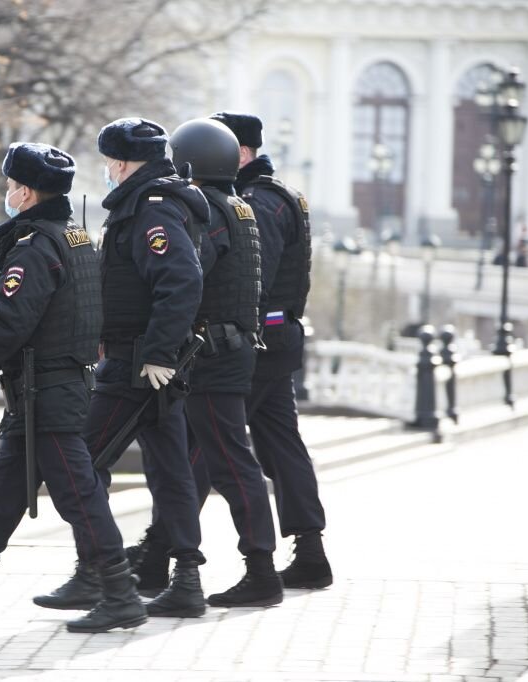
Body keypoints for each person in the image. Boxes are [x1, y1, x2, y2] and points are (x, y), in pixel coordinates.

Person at [0, 142, 147, 634]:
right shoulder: (75, 237)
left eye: (13, 185)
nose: (8, 193)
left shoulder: (35, 248)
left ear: (28, 192)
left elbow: (8, 328)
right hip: (43, 391)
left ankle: (121, 593)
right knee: (3, 492)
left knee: (79, 497)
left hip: (48, 393)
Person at [33, 117, 209, 618]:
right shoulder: (155, 202)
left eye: (110, 162)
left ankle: (102, 579)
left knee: (76, 464)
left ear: (124, 162)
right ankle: (186, 581)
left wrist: (156, 352)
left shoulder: (151, 209)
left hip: (137, 363)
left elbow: (181, 282)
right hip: (148, 361)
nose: (107, 171)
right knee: (171, 472)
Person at [151, 118, 283, 607]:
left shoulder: (209, 211)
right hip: (232, 349)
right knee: (206, 460)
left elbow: (190, 274)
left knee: (231, 465)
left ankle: (261, 571)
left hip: (213, 355)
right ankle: (159, 555)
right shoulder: (241, 206)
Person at [212, 111, 333, 590]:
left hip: (257, 342)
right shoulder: (278, 196)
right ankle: (311, 552)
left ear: (242, 153)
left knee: (206, 439)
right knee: (281, 444)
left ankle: (165, 548)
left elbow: (249, 280)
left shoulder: (255, 203)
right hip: (277, 338)